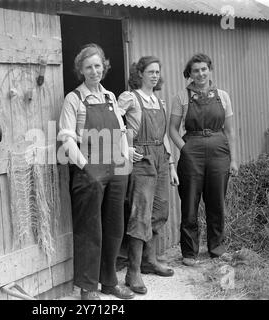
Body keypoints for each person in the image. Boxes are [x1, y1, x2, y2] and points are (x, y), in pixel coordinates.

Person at [57, 44, 134, 300]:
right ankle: (88, 287)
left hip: (116, 167)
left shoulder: (111, 97)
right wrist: (86, 168)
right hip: (89, 167)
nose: (94, 71)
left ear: (104, 67)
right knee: (90, 229)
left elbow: (122, 132)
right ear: (81, 70)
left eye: (97, 66)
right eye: (88, 67)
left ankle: (110, 282)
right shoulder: (74, 99)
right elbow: (67, 140)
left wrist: (124, 160)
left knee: (114, 226)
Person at [169, 53, 238, 267]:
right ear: (189, 74)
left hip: (219, 151)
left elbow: (230, 130)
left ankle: (216, 249)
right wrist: (185, 149)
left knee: (216, 202)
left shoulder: (223, 96)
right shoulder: (182, 96)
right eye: (195, 70)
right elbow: (172, 129)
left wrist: (233, 160)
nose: (200, 74)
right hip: (192, 150)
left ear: (210, 70)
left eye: (203, 69)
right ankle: (189, 253)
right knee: (190, 202)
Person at [118, 56, 179, 294]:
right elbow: (113, 121)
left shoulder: (159, 101)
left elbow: (164, 136)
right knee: (140, 214)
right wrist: (126, 146)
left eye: (157, 72)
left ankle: (149, 260)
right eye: (150, 71)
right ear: (140, 73)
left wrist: (171, 164)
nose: (155, 75)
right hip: (141, 158)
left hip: (161, 159)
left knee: (160, 210)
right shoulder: (130, 97)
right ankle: (133, 271)